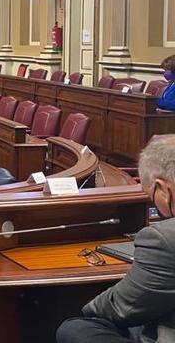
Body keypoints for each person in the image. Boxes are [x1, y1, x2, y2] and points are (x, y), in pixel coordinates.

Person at [57, 135, 175, 343]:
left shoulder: (164, 239)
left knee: (76, 329)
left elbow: (122, 307)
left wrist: (88, 310)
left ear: (164, 189)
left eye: (151, 197)